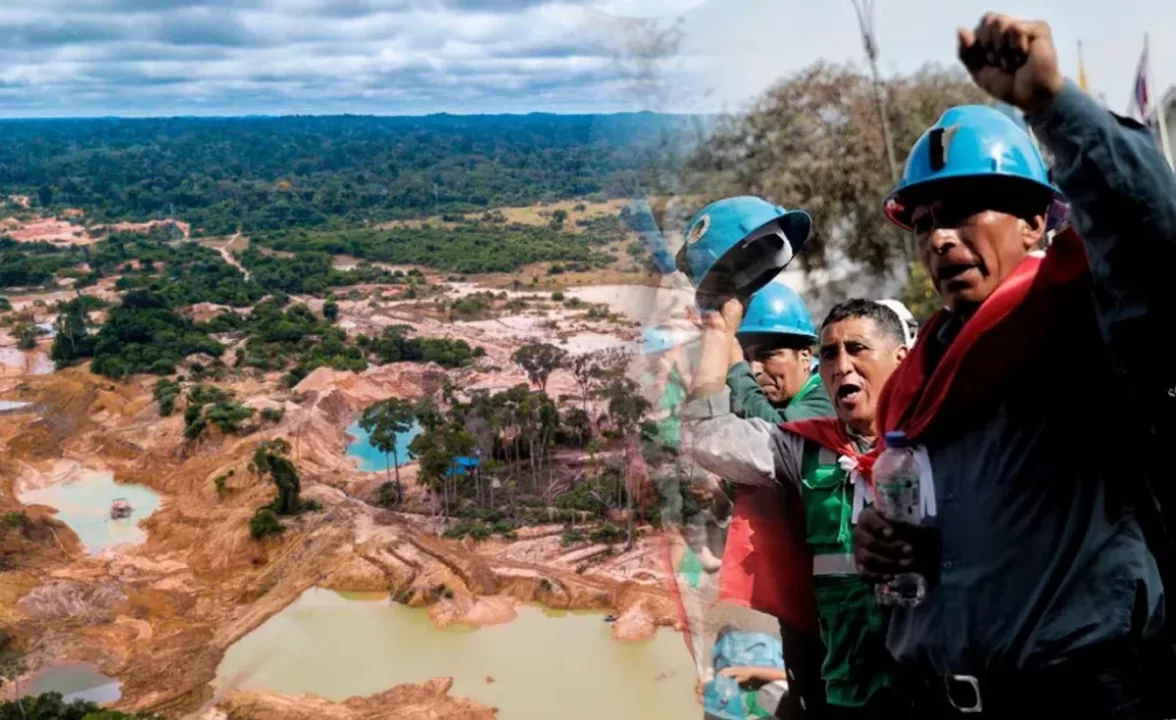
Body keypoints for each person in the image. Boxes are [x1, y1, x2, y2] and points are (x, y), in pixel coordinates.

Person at [852, 12, 1176, 718]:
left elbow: (1151, 239)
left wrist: (1053, 104)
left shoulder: (1084, 328)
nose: (939, 236)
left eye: (968, 208)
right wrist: (879, 542)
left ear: (1036, 221)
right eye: (924, 219)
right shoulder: (913, 381)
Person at [682, 298, 912, 719]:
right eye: (830, 353)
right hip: (845, 688)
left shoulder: (941, 440)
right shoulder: (803, 447)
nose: (841, 365)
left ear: (901, 359)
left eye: (857, 349)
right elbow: (705, 438)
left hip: (930, 685)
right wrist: (718, 333)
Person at [718, 277, 835, 719]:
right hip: (803, 595)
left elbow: (772, 437)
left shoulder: (820, 402)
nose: (756, 368)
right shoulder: (793, 402)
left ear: (806, 355)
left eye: (768, 354)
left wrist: (732, 368)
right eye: (750, 356)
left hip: (832, 601)